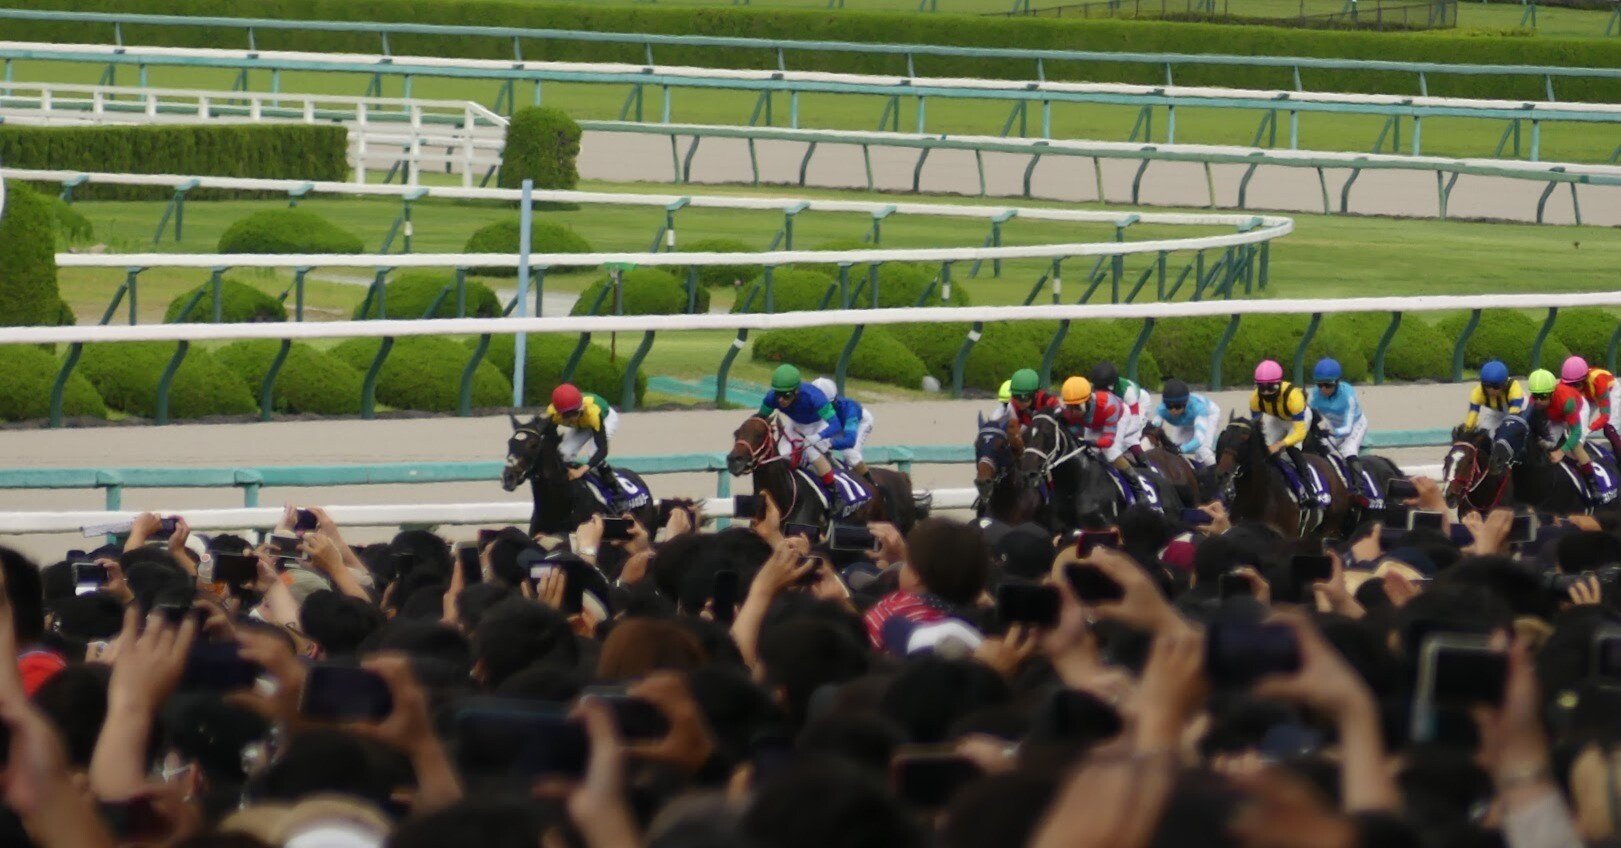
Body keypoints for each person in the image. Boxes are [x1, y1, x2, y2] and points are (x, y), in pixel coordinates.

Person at [756, 364, 848, 510]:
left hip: (819, 425)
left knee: (812, 453)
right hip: (795, 424)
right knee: (783, 456)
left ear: (797, 391)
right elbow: (760, 419)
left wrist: (818, 436)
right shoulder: (771, 398)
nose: (781, 400)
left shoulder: (814, 397)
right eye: (778, 393)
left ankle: (835, 494)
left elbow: (836, 424)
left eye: (786, 395)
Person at [1057, 376, 1150, 503]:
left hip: (1119, 417)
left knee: (1110, 452)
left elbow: (1108, 441)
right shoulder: (1069, 408)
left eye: (1077, 407)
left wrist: (1091, 442)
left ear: (1089, 400)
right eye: (1069, 406)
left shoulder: (1109, 406)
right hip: (1094, 422)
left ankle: (1138, 489)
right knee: (1089, 452)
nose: (1071, 412)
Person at [1249, 359, 1327, 506]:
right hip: (1275, 418)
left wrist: (1280, 444)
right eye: (1261, 388)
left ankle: (1309, 490)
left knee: (1292, 449)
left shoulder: (1294, 397)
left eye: (1270, 388)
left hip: (1297, 420)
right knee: (1261, 450)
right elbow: (1256, 430)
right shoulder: (1254, 398)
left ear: (1279, 383)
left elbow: (1299, 433)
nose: (1265, 393)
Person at [1527, 368, 1602, 499]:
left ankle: (1593, 485)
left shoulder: (1567, 401)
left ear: (1552, 392)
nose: (1538, 400)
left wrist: (1561, 452)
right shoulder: (1533, 403)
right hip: (1554, 415)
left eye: (1543, 396)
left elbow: (1576, 433)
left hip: (1576, 409)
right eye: (1535, 395)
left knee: (1575, 445)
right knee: (1544, 443)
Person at [543, 383, 619, 497]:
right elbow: (549, 439)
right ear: (558, 412)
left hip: (604, 419)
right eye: (566, 416)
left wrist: (581, 470)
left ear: (581, 407)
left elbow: (602, 450)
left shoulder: (593, 412)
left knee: (593, 453)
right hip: (582, 423)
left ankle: (617, 492)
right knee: (563, 453)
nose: (571, 419)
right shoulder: (552, 413)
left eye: (574, 413)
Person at [1307, 358, 1368, 482]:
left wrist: (1331, 432)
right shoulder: (1314, 395)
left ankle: (1360, 487)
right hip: (1334, 426)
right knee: (1321, 449)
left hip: (1355, 424)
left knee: (1348, 450)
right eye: (1320, 385)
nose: (1323, 389)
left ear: (1337, 382)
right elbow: (1310, 417)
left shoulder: (1348, 395)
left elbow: (1348, 428)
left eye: (1328, 385)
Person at [812, 377, 876, 481]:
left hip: (861, 423)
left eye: (827, 406)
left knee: (849, 454)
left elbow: (850, 440)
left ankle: (872, 484)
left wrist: (829, 443)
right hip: (837, 424)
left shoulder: (850, 409)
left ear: (835, 401)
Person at [1089, 361, 1151, 463]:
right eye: (1097, 389)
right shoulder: (1093, 387)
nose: (1099, 393)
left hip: (1139, 403)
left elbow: (1135, 425)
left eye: (1102, 389)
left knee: (1130, 439)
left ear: (1112, 385)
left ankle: (1149, 468)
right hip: (1119, 406)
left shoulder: (1128, 392)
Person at [1152, 378, 1219, 467]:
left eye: (1177, 406)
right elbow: (1152, 430)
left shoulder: (1198, 408)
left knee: (1202, 449)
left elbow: (1199, 440)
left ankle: (1218, 476)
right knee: (1174, 446)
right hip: (1185, 420)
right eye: (1169, 406)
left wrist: (1181, 449)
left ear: (1185, 403)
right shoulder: (1161, 410)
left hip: (1210, 414)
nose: (1173, 411)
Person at [1562, 355, 1621, 456]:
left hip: (1610, 391)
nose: (1574, 389)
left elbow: (1605, 416)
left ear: (1585, 379)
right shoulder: (1564, 384)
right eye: (1570, 385)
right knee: (1578, 425)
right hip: (1589, 394)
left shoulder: (1599, 381)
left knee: (1609, 428)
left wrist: (1589, 429)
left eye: (1577, 385)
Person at [1463, 359, 1526, 438]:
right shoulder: (1477, 393)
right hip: (1497, 412)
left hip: (1520, 410)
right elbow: (1472, 417)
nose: (1491, 390)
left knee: (1512, 434)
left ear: (1504, 384)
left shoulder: (1514, 389)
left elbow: (1514, 414)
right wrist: (1466, 433)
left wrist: (1505, 429)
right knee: (1484, 433)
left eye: (1496, 387)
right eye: (1487, 386)